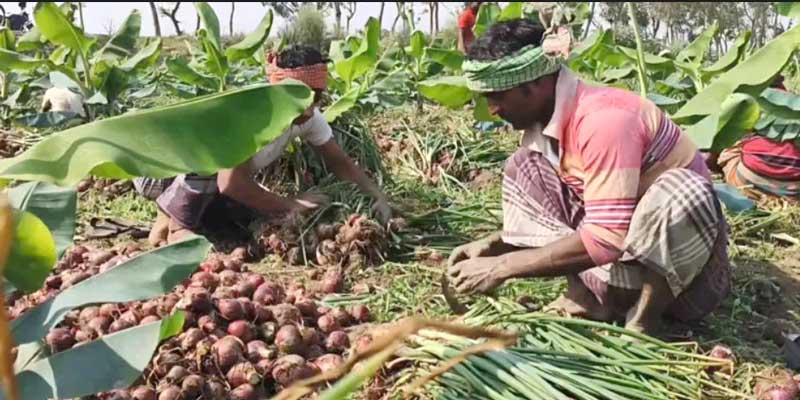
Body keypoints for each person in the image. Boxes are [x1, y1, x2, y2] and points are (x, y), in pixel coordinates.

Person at [447, 19, 731, 335]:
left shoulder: (605, 119)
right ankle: (588, 297)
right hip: (616, 268)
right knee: (525, 166)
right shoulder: (546, 129)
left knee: (684, 190)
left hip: (684, 285)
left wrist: (502, 267)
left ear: (535, 85)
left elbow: (607, 238)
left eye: (497, 96)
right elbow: (597, 217)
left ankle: (645, 321)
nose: (493, 109)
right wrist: (496, 246)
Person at [135, 45, 392, 246]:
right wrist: (292, 203)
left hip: (198, 182)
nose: (311, 104)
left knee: (243, 213)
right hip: (155, 172)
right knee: (212, 158)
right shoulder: (249, 119)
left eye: (317, 95)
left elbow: (340, 163)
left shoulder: (310, 118)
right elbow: (230, 183)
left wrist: (377, 195)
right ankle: (174, 226)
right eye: (302, 95)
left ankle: (182, 217)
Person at [712, 77, 800, 199]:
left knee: (728, 141)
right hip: (794, 190)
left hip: (749, 182)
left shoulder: (745, 101)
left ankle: (731, 183)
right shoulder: (792, 103)